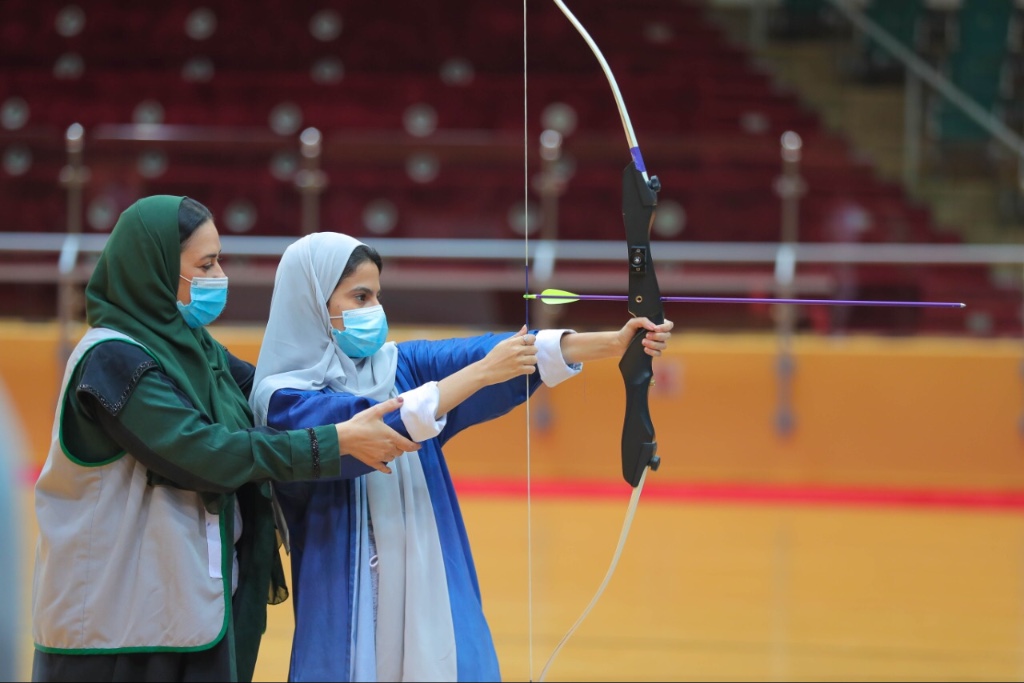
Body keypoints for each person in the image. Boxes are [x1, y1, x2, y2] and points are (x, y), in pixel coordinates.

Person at [249, 231, 674, 682]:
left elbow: (486, 352)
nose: (374, 309)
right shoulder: (281, 398)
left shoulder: (397, 365)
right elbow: (371, 430)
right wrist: (482, 372)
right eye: (360, 297)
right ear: (312, 301)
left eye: (376, 296)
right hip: (341, 582)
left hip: (428, 563)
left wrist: (613, 343)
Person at [31, 196, 420, 683]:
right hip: (113, 632)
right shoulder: (112, 359)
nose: (219, 276)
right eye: (205, 265)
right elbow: (202, 454)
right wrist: (333, 441)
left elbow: (271, 401)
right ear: (154, 268)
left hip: (188, 611)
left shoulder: (196, 349)